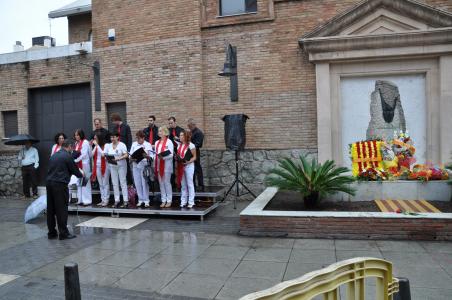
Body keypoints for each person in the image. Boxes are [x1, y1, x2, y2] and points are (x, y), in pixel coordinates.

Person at [46, 140, 83, 240]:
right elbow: (76, 172)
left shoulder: (54, 155)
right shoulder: (67, 156)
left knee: (51, 209)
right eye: (73, 148)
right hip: (60, 184)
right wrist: (82, 174)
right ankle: (63, 233)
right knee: (61, 209)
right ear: (69, 147)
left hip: (49, 183)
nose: (73, 150)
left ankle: (51, 233)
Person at [103, 132, 129, 207]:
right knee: (114, 183)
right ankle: (116, 200)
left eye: (114, 137)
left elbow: (126, 154)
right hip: (112, 166)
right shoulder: (108, 145)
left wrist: (119, 158)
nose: (112, 139)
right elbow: (106, 154)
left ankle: (125, 200)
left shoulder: (122, 145)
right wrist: (106, 158)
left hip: (121, 165)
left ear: (118, 137)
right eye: (111, 137)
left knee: (123, 182)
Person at [130, 130, 152, 207]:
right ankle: (140, 199)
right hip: (135, 165)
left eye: (139, 138)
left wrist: (147, 156)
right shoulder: (134, 144)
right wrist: (132, 158)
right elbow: (131, 155)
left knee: (144, 183)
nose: (138, 140)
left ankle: (146, 200)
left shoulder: (148, 144)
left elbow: (151, 156)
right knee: (137, 183)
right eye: (137, 138)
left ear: (143, 138)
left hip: (144, 165)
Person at [176, 130, 197, 208]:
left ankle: (191, 202)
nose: (180, 137)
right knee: (183, 185)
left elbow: (195, 157)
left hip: (189, 166)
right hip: (181, 166)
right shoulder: (179, 145)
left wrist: (188, 162)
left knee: (190, 184)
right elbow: (179, 155)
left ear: (185, 137)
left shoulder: (191, 145)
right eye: (180, 135)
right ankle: (183, 201)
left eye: (181, 135)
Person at [154, 126, 174, 208]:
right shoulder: (156, 143)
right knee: (161, 183)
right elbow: (155, 154)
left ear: (165, 132)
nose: (159, 132)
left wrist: (163, 157)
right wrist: (153, 157)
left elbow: (171, 154)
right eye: (159, 131)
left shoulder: (169, 142)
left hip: (167, 165)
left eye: (161, 131)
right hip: (159, 165)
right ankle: (163, 200)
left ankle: (169, 200)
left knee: (167, 183)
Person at [73, 129, 92, 205]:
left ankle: (87, 200)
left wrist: (75, 160)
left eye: (77, 135)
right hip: (78, 165)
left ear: (81, 135)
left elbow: (84, 154)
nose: (76, 136)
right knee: (79, 182)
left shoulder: (85, 142)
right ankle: (80, 199)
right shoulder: (76, 143)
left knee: (85, 182)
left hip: (84, 164)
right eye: (75, 135)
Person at [92, 134, 110, 207]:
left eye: (96, 138)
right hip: (97, 166)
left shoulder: (106, 145)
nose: (94, 140)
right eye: (94, 138)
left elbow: (103, 154)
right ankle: (102, 199)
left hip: (105, 166)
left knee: (105, 183)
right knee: (101, 184)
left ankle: (106, 200)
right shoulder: (97, 146)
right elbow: (91, 154)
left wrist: (97, 146)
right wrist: (92, 146)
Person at [187, 118, 205, 190]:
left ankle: (201, 185)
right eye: (188, 125)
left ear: (193, 125)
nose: (188, 127)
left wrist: (190, 146)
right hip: (190, 153)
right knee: (192, 169)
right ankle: (193, 184)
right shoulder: (191, 132)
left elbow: (199, 144)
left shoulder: (198, 132)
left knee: (197, 168)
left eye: (189, 126)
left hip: (195, 152)